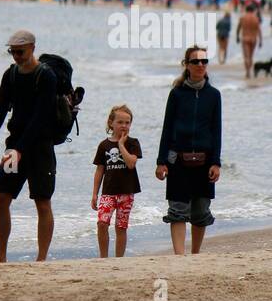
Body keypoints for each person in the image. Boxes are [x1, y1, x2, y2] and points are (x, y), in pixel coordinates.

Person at [0, 29, 58, 262]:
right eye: (12, 52)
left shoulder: (47, 76)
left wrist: (20, 149)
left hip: (40, 148)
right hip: (15, 147)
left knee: (42, 201)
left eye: (20, 52)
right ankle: (0, 256)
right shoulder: (10, 75)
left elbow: (40, 118)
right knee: (1, 198)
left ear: (33, 48)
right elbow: (0, 109)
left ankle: (42, 258)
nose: (16, 56)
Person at [155, 45, 222, 255]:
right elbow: (167, 128)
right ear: (187, 65)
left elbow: (216, 130)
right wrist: (161, 161)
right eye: (196, 61)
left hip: (205, 162)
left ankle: (195, 254)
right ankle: (179, 257)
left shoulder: (214, 95)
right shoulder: (176, 94)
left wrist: (216, 162)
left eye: (204, 61)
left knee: (201, 212)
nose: (201, 65)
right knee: (177, 211)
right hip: (177, 160)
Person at [91, 104, 143, 258]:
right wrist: (95, 194)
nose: (124, 126)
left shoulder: (133, 143)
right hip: (108, 192)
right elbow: (100, 169)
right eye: (120, 122)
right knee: (102, 223)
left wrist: (121, 145)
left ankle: (119, 259)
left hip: (127, 191)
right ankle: (103, 257)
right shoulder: (104, 145)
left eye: (127, 123)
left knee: (121, 227)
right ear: (111, 123)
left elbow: (131, 163)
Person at [235, 3, 262, 79]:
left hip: (245, 39)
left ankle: (248, 72)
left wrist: (237, 37)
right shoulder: (256, 18)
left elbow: (238, 28)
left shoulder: (242, 18)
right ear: (253, 10)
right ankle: (249, 70)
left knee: (246, 56)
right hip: (253, 39)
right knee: (250, 56)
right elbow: (259, 30)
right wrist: (261, 41)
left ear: (246, 10)